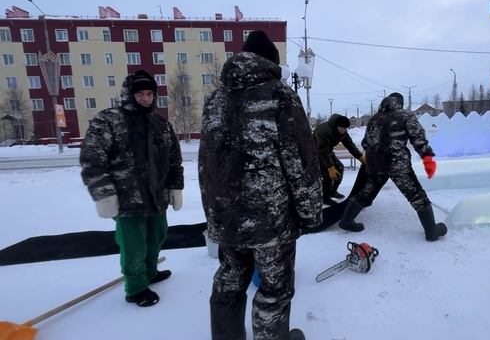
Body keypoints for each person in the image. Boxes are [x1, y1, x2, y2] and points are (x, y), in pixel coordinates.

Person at [199, 30, 321, 340]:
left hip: (226, 216)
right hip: (270, 220)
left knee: (229, 282)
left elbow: (205, 163)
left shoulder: (215, 100)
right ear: (271, 63)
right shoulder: (279, 95)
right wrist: (310, 213)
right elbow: (301, 162)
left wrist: (213, 216)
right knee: (274, 289)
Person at [80, 70, 184, 307]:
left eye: (149, 93)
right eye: (140, 93)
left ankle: (150, 272)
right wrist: (104, 194)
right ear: (129, 94)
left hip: (156, 198)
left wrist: (174, 187)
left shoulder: (161, 124)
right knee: (134, 244)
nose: (146, 98)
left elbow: (174, 160)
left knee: (157, 236)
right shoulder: (108, 121)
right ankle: (136, 287)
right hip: (127, 200)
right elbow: (92, 159)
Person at [338, 92, 447, 241]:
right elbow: (418, 137)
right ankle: (431, 231)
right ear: (400, 103)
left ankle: (346, 221)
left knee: (366, 193)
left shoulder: (375, 119)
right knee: (417, 196)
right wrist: (427, 158)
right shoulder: (405, 115)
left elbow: (365, 143)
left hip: (376, 164)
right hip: (398, 165)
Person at [313, 114, 365, 205]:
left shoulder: (343, 132)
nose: (345, 130)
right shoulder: (323, 131)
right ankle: (325, 197)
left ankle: (333, 191)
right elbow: (322, 150)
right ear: (336, 126)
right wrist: (330, 167)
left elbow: (350, 145)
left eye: (346, 128)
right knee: (327, 174)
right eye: (343, 128)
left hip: (327, 151)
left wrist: (360, 157)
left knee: (339, 168)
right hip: (315, 152)